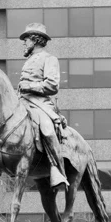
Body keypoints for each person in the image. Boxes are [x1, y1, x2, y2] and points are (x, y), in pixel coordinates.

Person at [16, 22, 68, 190]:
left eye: (26, 39)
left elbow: (52, 86)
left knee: (46, 128)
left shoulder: (50, 59)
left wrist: (30, 87)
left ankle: (56, 168)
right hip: (22, 101)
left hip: (40, 104)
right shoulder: (29, 60)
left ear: (36, 40)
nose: (24, 43)